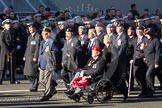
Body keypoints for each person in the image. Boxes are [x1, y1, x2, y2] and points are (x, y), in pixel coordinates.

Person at [38, 28, 58, 101]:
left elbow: (56, 51)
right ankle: (52, 88)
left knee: (47, 81)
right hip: (42, 64)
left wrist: (50, 52)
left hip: (48, 63)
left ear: (48, 34)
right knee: (41, 80)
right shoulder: (42, 42)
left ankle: (47, 95)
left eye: (45, 34)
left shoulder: (51, 42)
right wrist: (38, 63)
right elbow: (40, 53)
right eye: (42, 34)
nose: (43, 35)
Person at [23, 22, 41, 92]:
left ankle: (35, 85)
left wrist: (36, 56)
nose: (30, 29)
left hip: (33, 56)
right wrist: (24, 55)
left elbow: (37, 47)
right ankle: (34, 83)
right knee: (27, 73)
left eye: (31, 27)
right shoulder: (29, 37)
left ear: (35, 28)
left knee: (33, 72)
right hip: (28, 56)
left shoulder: (37, 36)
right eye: (29, 28)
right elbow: (27, 47)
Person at [130, 27, 147, 97]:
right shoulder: (135, 39)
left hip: (142, 60)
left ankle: (144, 90)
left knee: (142, 76)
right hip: (135, 60)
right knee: (135, 75)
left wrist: (144, 56)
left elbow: (146, 50)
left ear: (142, 31)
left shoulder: (145, 39)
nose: (137, 32)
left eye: (139, 31)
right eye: (136, 31)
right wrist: (132, 58)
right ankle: (142, 88)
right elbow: (134, 50)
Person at [143, 27, 161, 97]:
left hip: (153, 61)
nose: (146, 36)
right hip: (148, 61)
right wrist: (144, 57)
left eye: (147, 35)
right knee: (151, 76)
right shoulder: (147, 40)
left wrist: (157, 62)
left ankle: (151, 90)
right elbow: (145, 49)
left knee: (148, 75)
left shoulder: (156, 40)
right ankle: (150, 91)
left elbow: (158, 52)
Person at [0, 19, 17, 84]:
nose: (8, 25)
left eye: (9, 24)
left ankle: (12, 80)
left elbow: (15, 42)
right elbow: (2, 43)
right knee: (2, 66)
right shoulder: (2, 33)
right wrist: (7, 52)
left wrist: (12, 51)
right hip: (4, 51)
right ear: (4, 25)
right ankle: (0, 79)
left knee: (12, 66)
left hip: (11, 51)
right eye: (7, 24)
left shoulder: (13, 32)